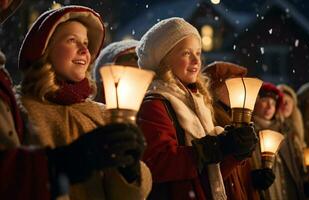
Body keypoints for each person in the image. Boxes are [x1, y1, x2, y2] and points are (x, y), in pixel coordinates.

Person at [0, 2, 149, 199]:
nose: (83, 50)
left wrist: (129, 171)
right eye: (72, 40)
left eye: (86, 44)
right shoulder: (21, 110)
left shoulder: (102, 113)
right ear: (45, 49)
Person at [136, 17, 257, 200]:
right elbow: (158, 163)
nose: (196, 60)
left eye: (198, 53)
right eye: (186, 53)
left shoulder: (198, 102)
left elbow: (209, 176)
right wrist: (213, 147)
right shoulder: (154, 104)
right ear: (165, 60)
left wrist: (234, 153)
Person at [202, 61, 261, 200]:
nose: (240, 89)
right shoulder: (210, 116)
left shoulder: (237, 117)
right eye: (232, 84)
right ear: (215, 87)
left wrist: (254, 178)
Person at [252, 82, 305, 200]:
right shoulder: (250, 133)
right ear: (255, 103)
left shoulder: (282, 132)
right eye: (265, 101)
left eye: (273, 103)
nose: (269, 107)